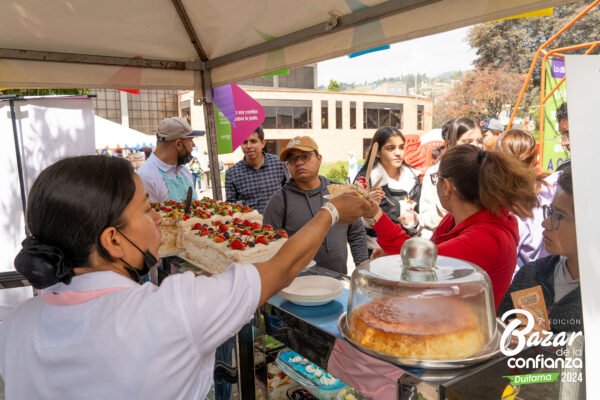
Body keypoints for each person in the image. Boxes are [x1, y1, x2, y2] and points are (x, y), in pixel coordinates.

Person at [0, 155, 368, 400]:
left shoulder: (16, 324)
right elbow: (283, 267)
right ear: (113, 240)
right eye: (147, 209)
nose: (159, 217)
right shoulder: (173, 309)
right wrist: (332, 211)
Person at [362, 145, 538, 308]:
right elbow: (423, 254)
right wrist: (391, 249)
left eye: (435, 179)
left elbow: (420, 266)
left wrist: (376, 218)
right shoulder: (454, 220)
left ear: (446, 187)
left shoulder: (485, 239)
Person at [263, 137, 369, 274]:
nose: (299, 162)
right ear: (288, 165)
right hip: (296, 285)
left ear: (319, 158)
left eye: (305, 156)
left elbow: (356, 234)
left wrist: (363, 270)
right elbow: (268, 247)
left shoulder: (340, 193)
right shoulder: (279, 201)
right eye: (292, 159)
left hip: (337, 282)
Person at [498, 166, 582, 333]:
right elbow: (499, 330)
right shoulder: (531, 274)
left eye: (559, 215)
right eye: (550, 211)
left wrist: (546, 346)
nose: (545, 223)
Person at [354, 127, 422, 253]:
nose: (398, 153)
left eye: (401, 147)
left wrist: (414, 221)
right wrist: (371, 211)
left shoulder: (414, 177)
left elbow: (422, 212)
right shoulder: (365, 180)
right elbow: (354, 222)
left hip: (409, 248)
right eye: (391, 148)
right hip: (376, 249)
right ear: (378, 152)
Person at [495, 129, 552, 267]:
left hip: (519, 283)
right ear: (536, 158)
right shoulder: (552, 191)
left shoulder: (497, 204)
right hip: (552, 279)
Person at [419, 117, 484, 234]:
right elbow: (425, 218)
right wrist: (448, 205)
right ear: (450, 143)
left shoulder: (488, 172)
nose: (475, 146)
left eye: (479, 141)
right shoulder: (435, 173)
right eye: (467, 141)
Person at [137, 117, 204, 202]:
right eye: (191, 141)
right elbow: (147, 215)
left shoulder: (184, 171)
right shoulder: (146, 177)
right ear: (178, 144)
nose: (193, 145)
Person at [225, 126, 288, 213]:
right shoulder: (232, 173)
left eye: (253, 141)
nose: (248, 146)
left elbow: (289, 192)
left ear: (263, 143)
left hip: (279, 222)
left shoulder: (279, 163)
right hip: (250, 224)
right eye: (244, 142)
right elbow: (231, 207)